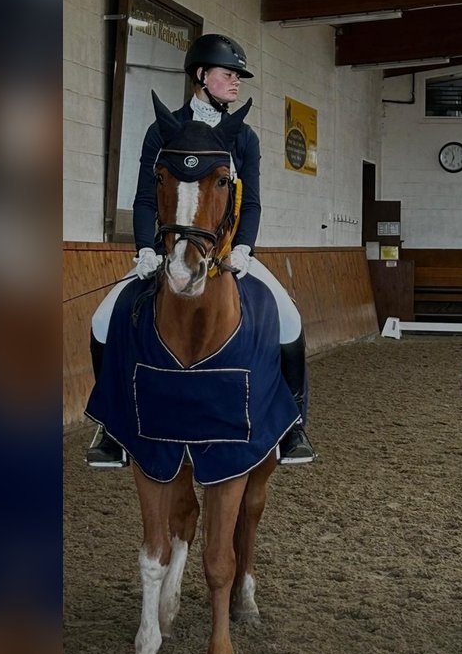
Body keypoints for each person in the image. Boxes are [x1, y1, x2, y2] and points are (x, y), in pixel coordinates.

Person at [86, 33, 316, 468]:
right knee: (102, 321)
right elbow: (144, 199)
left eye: (238, 77)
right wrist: (145, 251)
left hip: (229, 252)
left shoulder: (242, 137)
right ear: (200, 76)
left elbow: (251, 201)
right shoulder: (163, 129)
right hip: (168, 251)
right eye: (228, 75)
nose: (236, 83)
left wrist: (245, 248)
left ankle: (292, 427)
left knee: (289, 318)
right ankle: (112, 429)